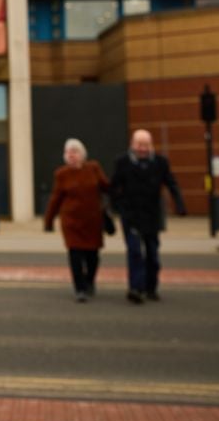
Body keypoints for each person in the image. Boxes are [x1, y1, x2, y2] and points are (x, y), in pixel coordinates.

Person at [109, 129, 187, 304]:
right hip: (131, 215)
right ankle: (135, 288)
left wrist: (180, 205)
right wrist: (118, 207)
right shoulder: (122, 162)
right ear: (132, 144)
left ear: (151, 145)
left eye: (146, 145)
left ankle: (150, 287)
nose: (142, 148)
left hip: (152, 215)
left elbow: (171, 184)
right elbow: (114, 187)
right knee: (135, 252)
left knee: (152, 254)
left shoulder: (160, 163)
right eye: (139, 144)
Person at [43, 138, 110, 302]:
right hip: (71, 222)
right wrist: (48, 221)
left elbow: (107, 187)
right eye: (68, 152)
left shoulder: (93, 168)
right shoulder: (61, 174)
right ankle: (79, 288)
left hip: (93, 221)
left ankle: (90, 281)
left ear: (82, 154)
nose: (71, 155)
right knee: (75, 255)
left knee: (93, 256)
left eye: (75, 151)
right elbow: (55, 199)